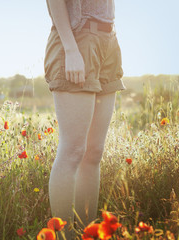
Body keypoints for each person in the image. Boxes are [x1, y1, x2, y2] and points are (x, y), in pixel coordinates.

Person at [44, 0, 125, 238]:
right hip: (76, 39)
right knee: (73, 150)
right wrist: (70, 48)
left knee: (94, 152)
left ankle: (87, 233)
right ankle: (63, 236)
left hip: (108, 40)